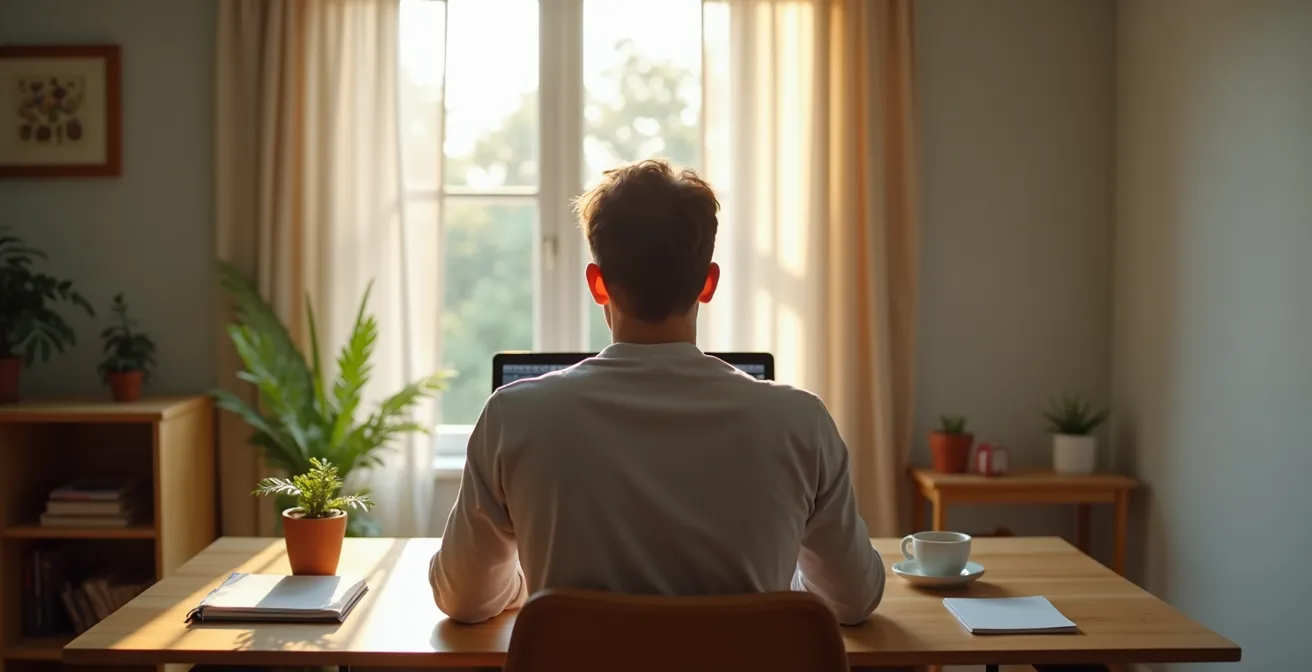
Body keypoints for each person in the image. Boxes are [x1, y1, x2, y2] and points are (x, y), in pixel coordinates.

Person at [428, 159, 884, 625]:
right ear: (708, 283)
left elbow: (464, 600)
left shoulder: (514, 417)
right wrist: (781, 592)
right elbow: (852, 600)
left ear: (597, 285)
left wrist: (526, 586)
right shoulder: (800, 421)